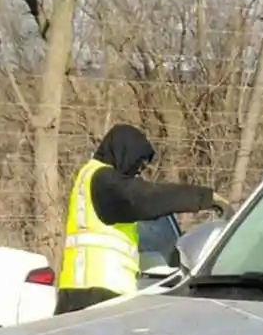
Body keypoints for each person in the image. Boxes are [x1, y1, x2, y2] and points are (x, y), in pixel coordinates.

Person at [56, 123, 218, 314]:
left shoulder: (95, 177)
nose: (139, 170)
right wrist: (204, 198)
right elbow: (145, 198)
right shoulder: (104, 181)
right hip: (95, 295)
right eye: (138, 163)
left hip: (86, 293)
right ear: (125, 153)